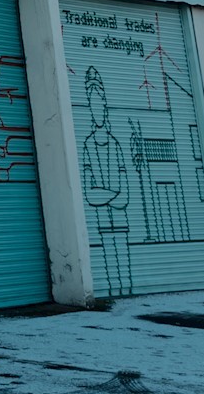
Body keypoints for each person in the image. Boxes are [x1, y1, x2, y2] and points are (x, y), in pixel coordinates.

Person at [79, 66, 133, 296]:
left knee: (125, 272)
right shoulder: (88, 146)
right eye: (92, 103)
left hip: (120, 219)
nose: (97, 107)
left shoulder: (116, 145)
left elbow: (125, 197)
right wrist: (112, 193)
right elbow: (90, 195)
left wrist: (104, 193)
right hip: (102, 222)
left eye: (100, 101)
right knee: (110, 267)